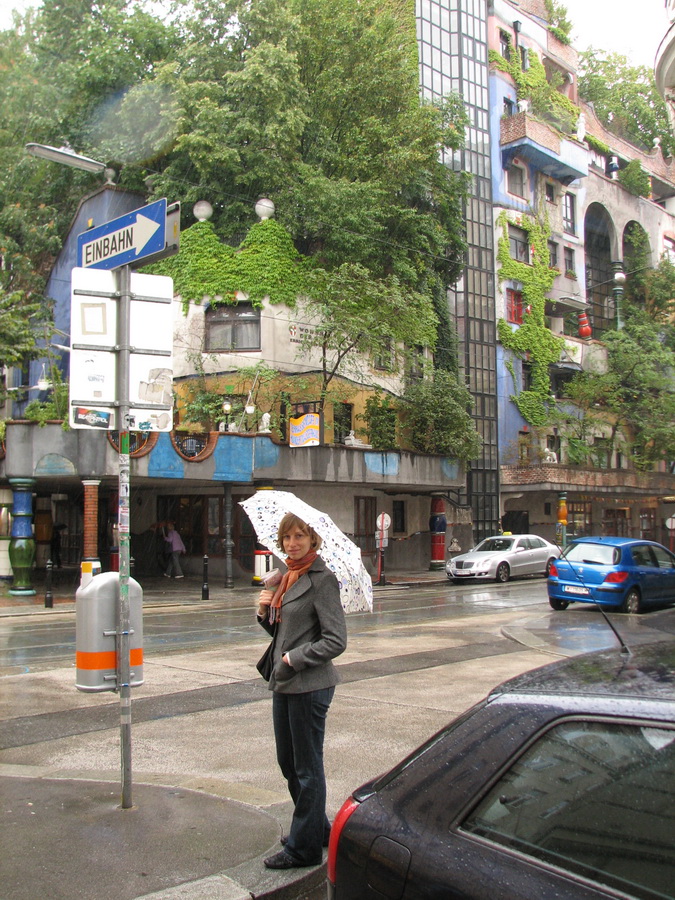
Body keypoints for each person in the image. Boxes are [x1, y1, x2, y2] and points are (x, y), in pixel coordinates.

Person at [256, 513, 347, 870]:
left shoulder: (322, 580)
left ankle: (303, 850)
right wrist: (265, 611)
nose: (292, 543)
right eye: (287, 537)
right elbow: (283, 634)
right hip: (284, 681)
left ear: (312, 540)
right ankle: (316, 830)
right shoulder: (288, 578)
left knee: (307, 768)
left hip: (310, 685)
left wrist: (294, 657)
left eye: (299, 536)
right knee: (288, 763)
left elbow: (336, 640)